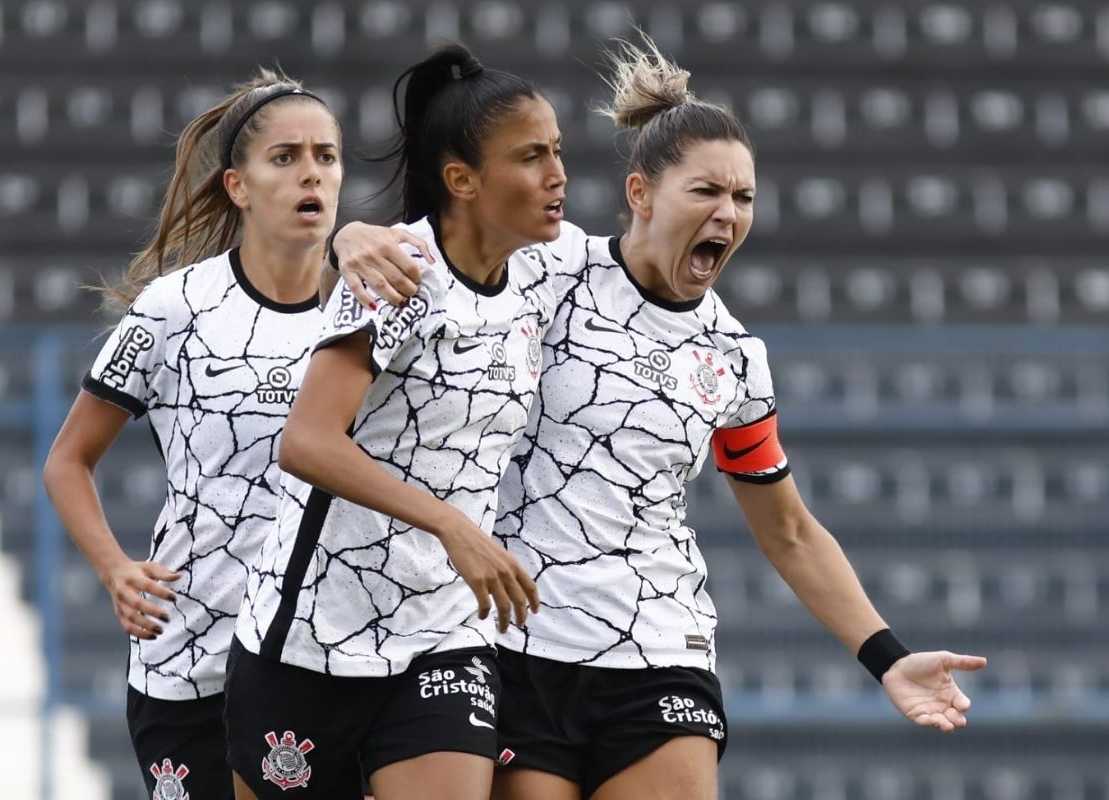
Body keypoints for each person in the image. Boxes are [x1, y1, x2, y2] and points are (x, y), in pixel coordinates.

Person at [333, 37, 987, 800]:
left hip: (660, 648)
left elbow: (790, 530)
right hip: (515, 643)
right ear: (641, 193)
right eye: (706, 191)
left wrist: (885, 656)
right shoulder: (550, 267)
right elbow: (436, 253)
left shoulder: (735, 358)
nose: (727, 213)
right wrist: (352, 235)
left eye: (742, 198)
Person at [224, 44, 571, 800]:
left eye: (558, 151)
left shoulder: (544, 269)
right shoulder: (397, 272)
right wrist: (452, 525)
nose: (557, 175)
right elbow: (307, 442)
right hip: (311, 638)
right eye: (532, 156)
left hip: (446, 636)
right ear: (463, 180)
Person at [43, 69, 345, 800]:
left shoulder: (366, 312)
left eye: (327, 156)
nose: (312, 172)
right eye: (286, 157)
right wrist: (116, 568)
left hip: (322, 655)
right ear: (238, 186)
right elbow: (67, 461)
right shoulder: (175, 308)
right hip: (189, 658)